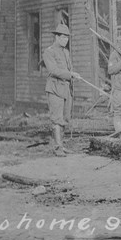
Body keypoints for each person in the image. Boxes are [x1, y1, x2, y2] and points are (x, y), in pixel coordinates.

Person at [42, 24, 80, 157]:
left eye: (67, 38)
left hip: (65, 89)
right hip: (55, 89)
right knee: (56, 119)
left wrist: (72, 75)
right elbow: (53, 70)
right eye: (63, 37)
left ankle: (62, 146)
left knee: (64, 118)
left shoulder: (66, 52)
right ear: (57, 37)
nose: (65, 40)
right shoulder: (49, 51)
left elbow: (68, 70)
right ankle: (57, 148)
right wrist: (71, 75)